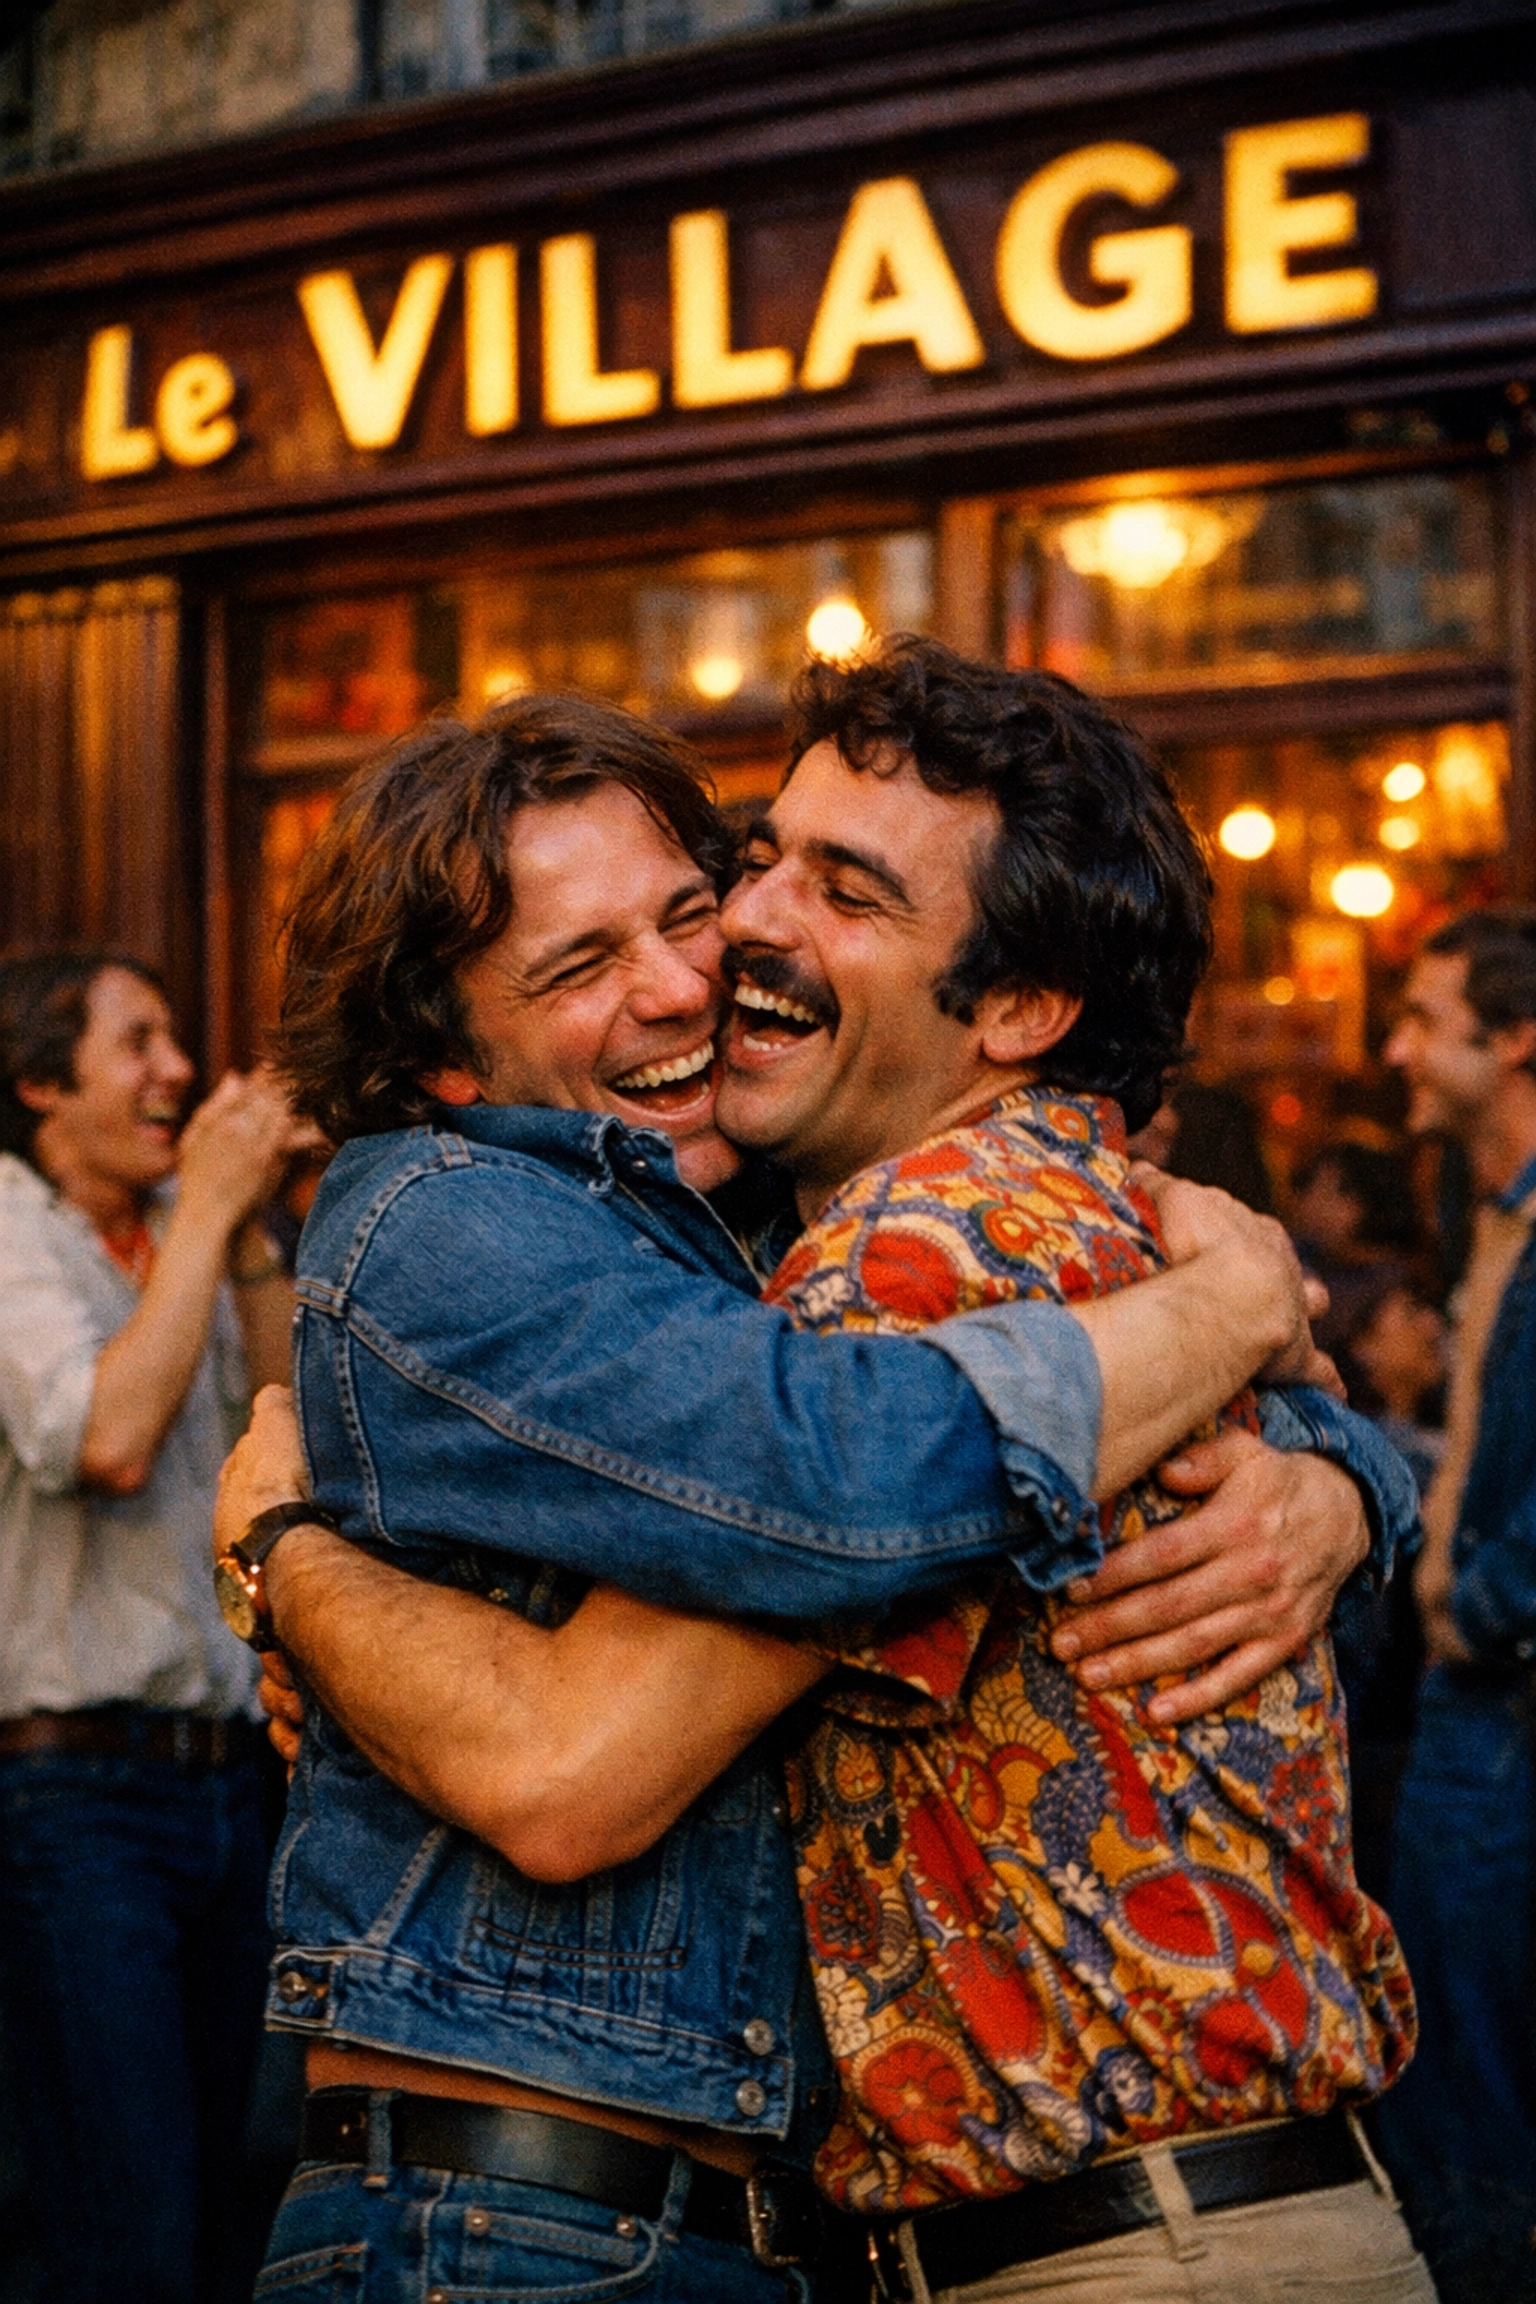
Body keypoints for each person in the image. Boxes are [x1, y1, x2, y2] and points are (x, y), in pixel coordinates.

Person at [216, 686, 1411, 2302]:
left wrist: (1341, 1481)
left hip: (1039, 2235)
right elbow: (817, 1503)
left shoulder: (865, 1242)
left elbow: (623, 1704)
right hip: (514, 2225)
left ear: (1018, 1007)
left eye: (705, 907)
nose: (707, 967)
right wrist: (1239, 1317)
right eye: (583, 964)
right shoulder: (475, 1220)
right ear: (441, 1057)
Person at [0, 951, 308, 2304]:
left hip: (232, 1784)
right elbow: (106, 1436)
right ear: (37, 1082)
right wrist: (212, 1212)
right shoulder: (10, 1235)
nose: (177, 1072)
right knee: (125, 2223)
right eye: (138, 1043)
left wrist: (241, 1234)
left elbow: (291, 1421)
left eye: (177, 1039)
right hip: (74, 1799)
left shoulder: (188, 1222)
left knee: (246, 2200)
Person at [1374, 907, 1536, 2302]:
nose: (1397, 1049)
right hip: (1472, 1682)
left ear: (1517, 1035)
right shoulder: (1483, 1212)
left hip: (1500, 1694)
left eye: (1425, 1020)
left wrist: (1480, 1610)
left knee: (1469, 2092)